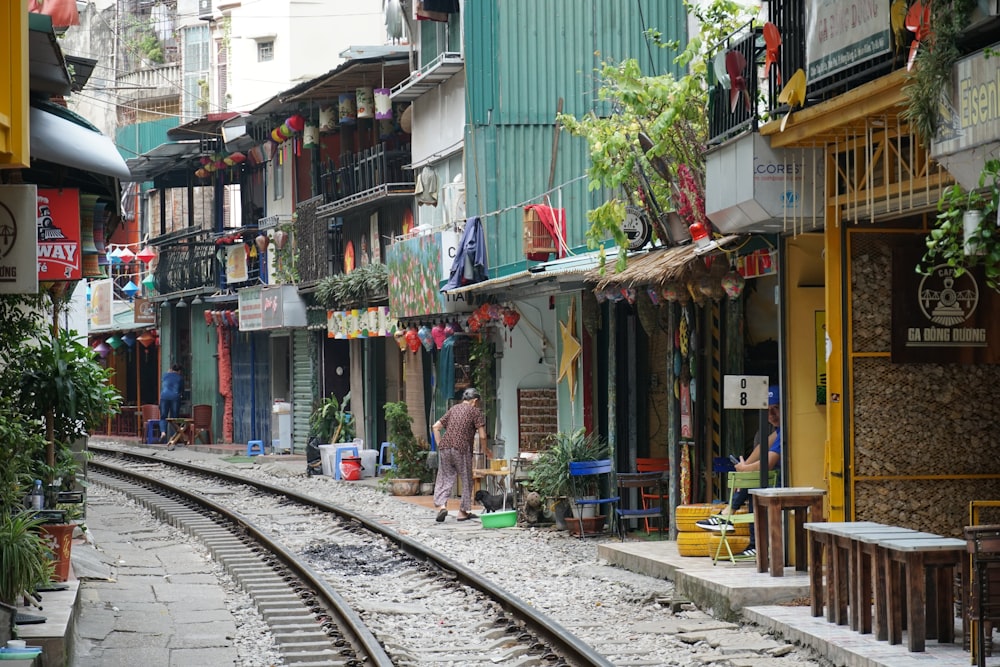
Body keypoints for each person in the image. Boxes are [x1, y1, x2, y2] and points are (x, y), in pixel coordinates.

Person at [696, 385, 782, 558]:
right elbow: (762, 447)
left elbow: (768, 463)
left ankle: (728, 515)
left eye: (777, 409)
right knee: (750, 486)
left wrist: (745, 470)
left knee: (752, 482)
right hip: (770, 482)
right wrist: (743, 472)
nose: (772, 415)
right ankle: (753, 542)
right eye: (768, 410)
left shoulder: (788, 430)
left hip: (783, 482)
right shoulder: (778, 431)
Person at [431, 387, 489, 522]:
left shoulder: (454, 409)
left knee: (444, 478)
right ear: (474, 401)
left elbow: (435, 427)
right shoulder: (475, 411)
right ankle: (463, 512)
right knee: (467, 479)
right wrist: (486, 450)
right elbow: (482, 436)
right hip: (461, 449)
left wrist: (440, 445)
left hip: (445, 448)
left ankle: (441, 506)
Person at [159, 364, 184, 442]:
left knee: (163, 416)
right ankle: (172, 437)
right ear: (179, 371)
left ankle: (163, 432)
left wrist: (168, 372)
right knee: (174, 418)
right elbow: (181, 390)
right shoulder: (180, 378)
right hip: (174, 397)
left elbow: (164, 382)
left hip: (164, 396)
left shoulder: (165, 375)